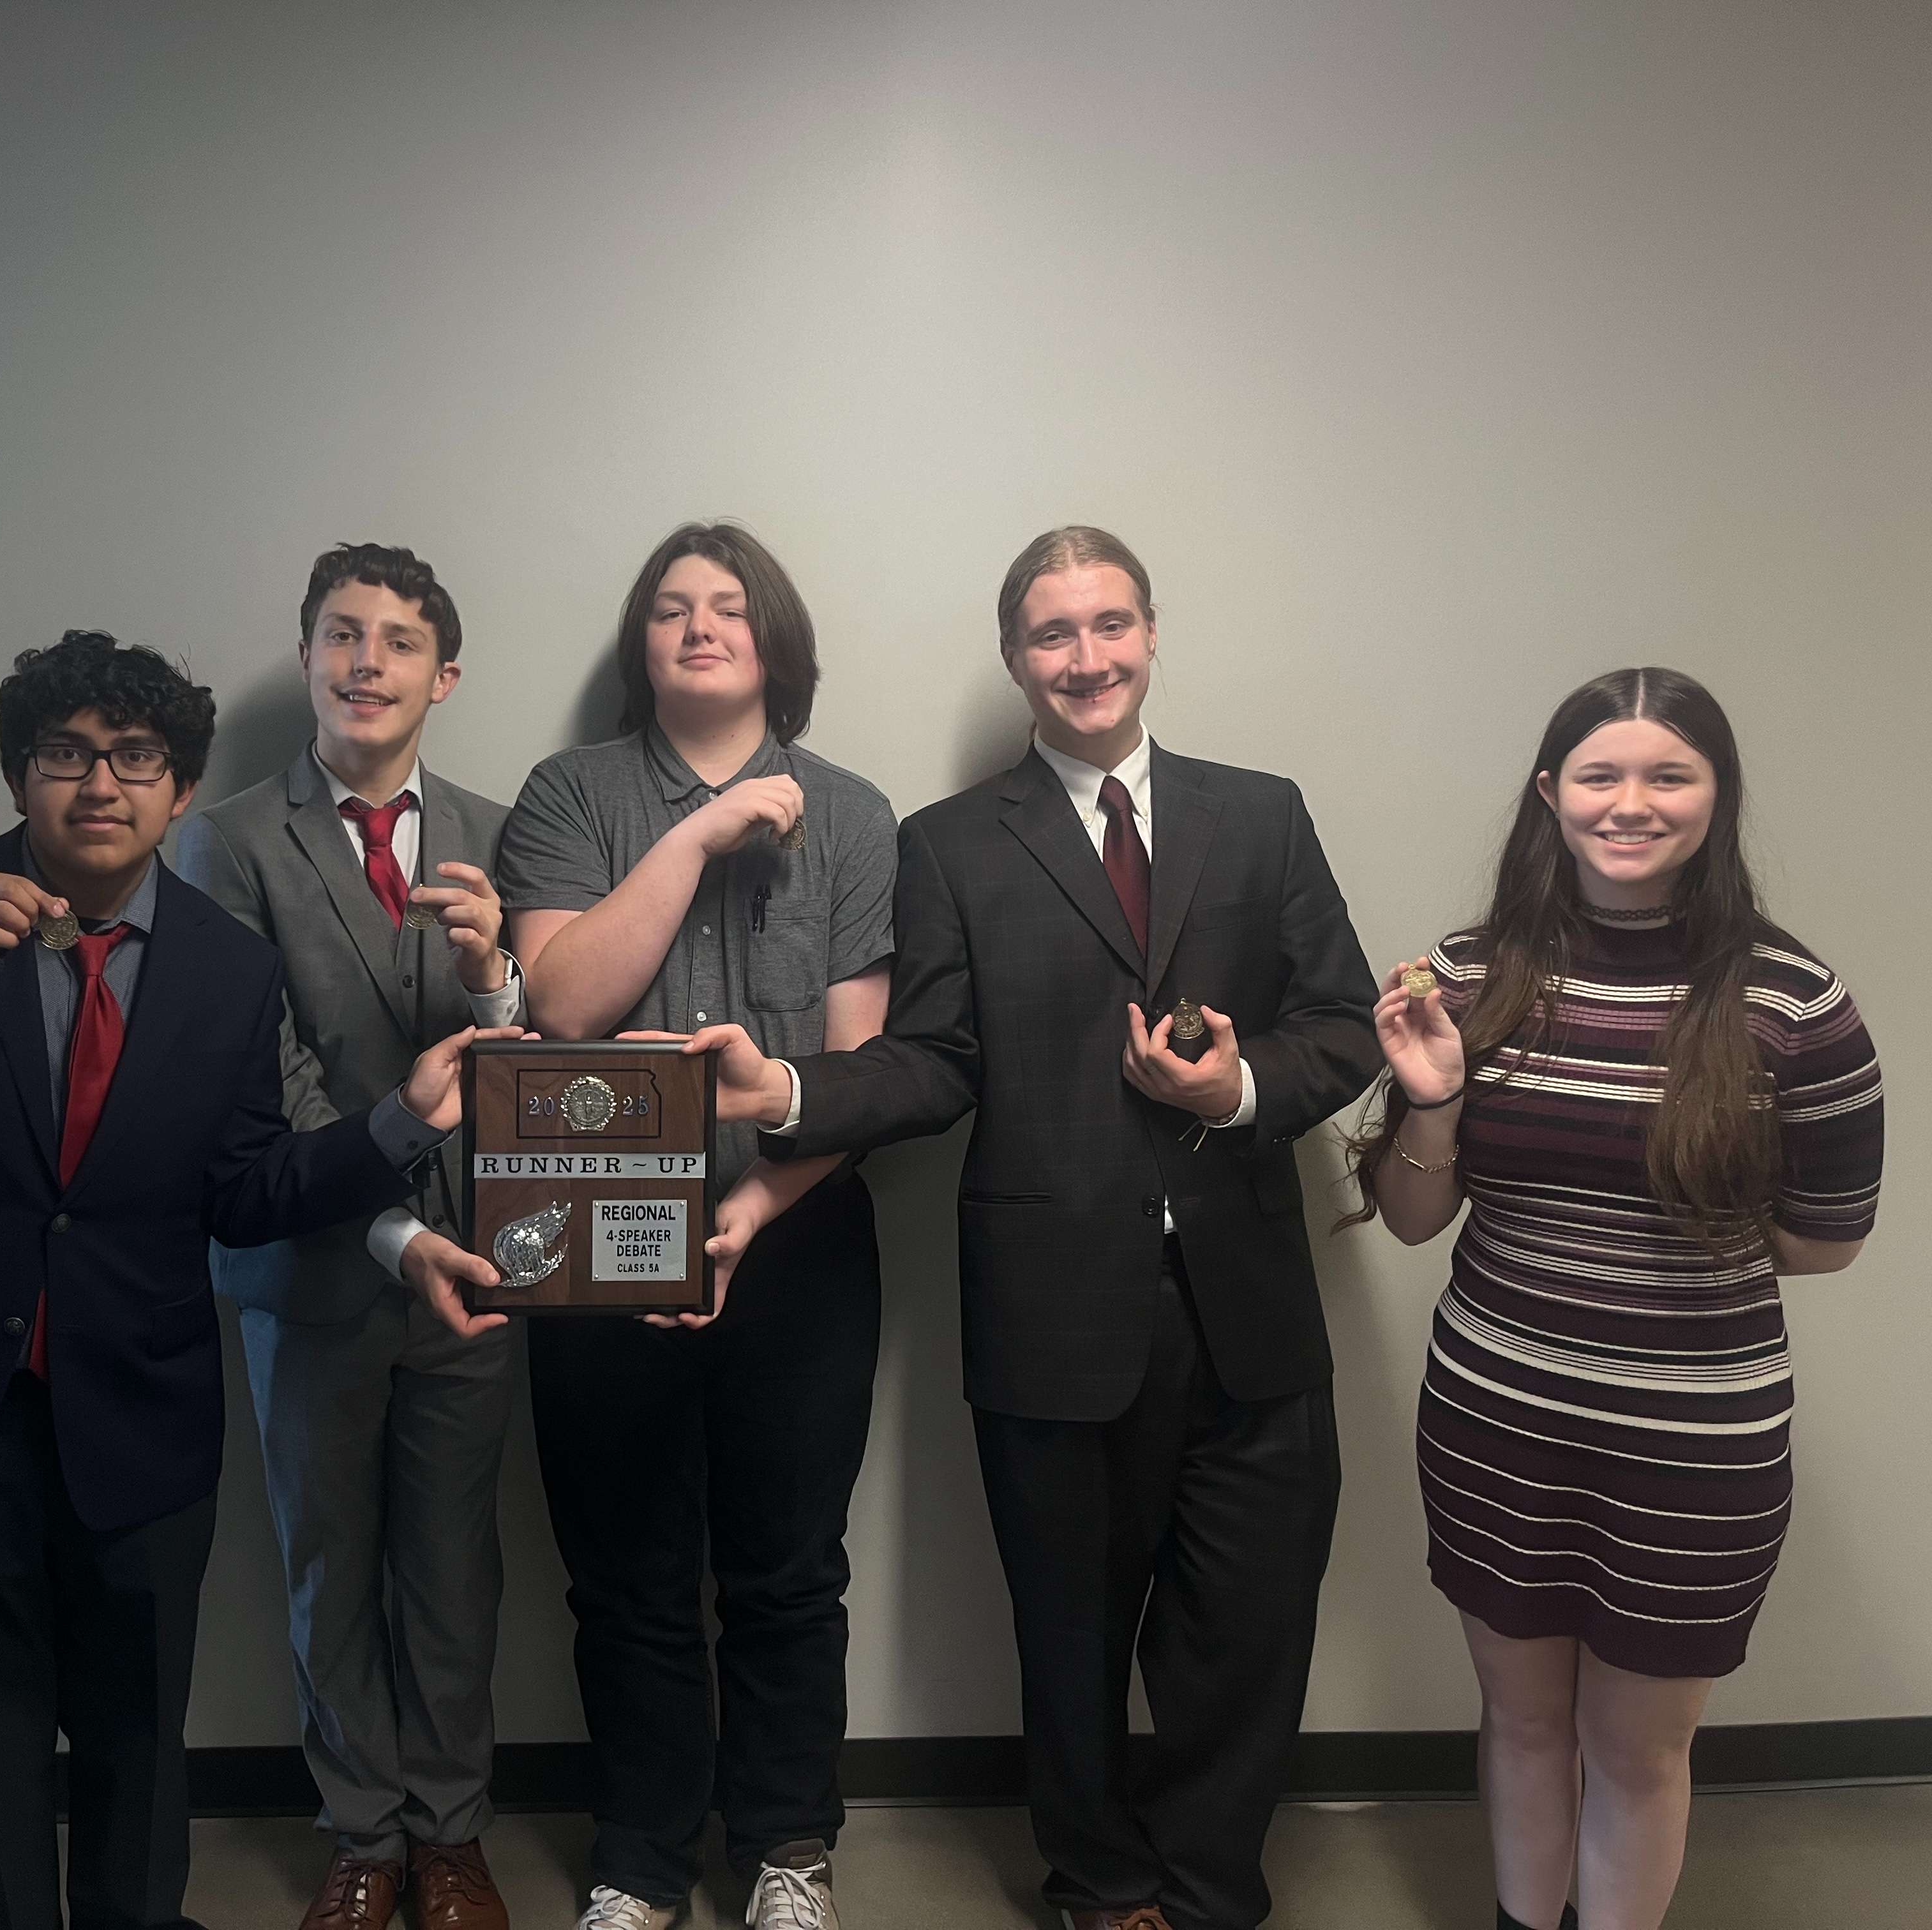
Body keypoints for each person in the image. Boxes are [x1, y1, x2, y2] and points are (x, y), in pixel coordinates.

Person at [689, 526, 1379, 1930]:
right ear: (1017, 659)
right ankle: (1100, 1886)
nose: (1088, 657)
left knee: (1245, 1635)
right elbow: (935, 1060)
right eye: (1054, 634)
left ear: (1150, 632)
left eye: (1110, 624)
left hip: (1246, 1309)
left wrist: (1240, 1086)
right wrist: (793, 1093)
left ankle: (1202, 1893)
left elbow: (1347, 1025)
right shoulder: (950, 844)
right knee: (1067, 1639)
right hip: (1053, 1312)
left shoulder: (1263, 814)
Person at [0, 630, 507, 1930]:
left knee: (137, 1746)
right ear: (20, 778)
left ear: (180, 793)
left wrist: (399, 1121)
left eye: (137, 757)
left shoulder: (230, 968)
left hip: (136, 1413)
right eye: (67, 753)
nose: (100, 782)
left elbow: (245, 1190)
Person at [1345, 668, 1883, 1930]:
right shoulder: (1471, 978)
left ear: (1716, 796)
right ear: (1551, 794)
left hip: (1694, 1456)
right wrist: (1433, 1098)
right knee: (1525, 1725)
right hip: (1496, 1427)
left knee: (1639, 1755)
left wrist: (1654, 1260)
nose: (1629, 803)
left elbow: (1825, 1244)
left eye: (1667, 775)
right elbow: (1418, 1219)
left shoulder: (1798, 1004)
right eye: (1599, 774)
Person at [494, 522, 897, 1930]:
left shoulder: (852, 814)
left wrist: (748, 1206)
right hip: (593, 1240)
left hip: (797, 1234)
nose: (700, 626)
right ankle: (641, 1858)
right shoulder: (568, 795)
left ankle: (789, 1847)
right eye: (671, 609)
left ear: (777, 642)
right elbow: (563, 1009)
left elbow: (856, 1068)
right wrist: (704, 833)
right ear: (640, 643)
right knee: (626, 1573)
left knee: (792, 1569)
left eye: (730, 607)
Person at [174, 543, 523, 1930]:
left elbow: (548, 1073)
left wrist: (497, 972)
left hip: (488, 1275)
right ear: (310, 656)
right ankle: (365, 1837)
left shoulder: (508, 831)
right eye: (340, 635)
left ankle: (451, 1834)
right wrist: (384, 1228)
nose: (365, 662)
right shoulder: (230, 839)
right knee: (325, 1565)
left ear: (444, 675)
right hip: (315, 1268)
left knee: (455, 1567)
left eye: (395, 641)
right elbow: (259, 1077)